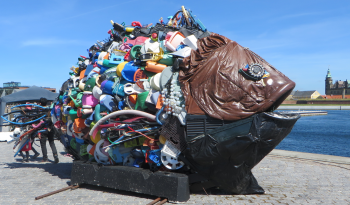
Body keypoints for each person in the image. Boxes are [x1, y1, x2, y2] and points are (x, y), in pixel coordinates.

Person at [38, 97, 59, 163]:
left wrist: (38, 132)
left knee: (43, 144)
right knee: (52, 142)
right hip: (51, 128)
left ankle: (45, 158)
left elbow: (39, 122)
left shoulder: (40, 111)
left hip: (43, 129)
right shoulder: (50, 110)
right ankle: (55, 156)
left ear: (40, 103)